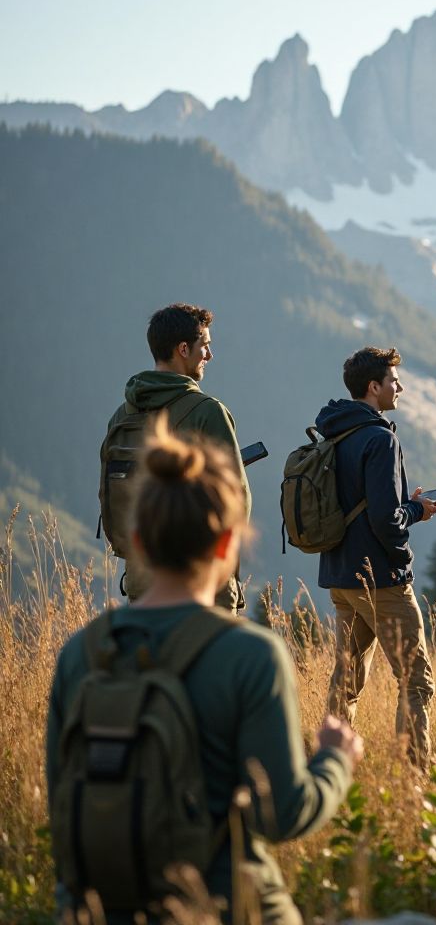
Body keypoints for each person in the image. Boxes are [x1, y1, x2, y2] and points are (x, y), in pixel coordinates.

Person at [48, 415, 363, 924]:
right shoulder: (250, 655)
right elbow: (281, 814)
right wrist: (334, 762)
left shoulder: (80, 654)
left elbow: (61, 807)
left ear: (139, 542)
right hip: (227, 908)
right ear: (226, 545)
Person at [317, 346, 436, 768]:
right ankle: (415, 780)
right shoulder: (380, 438)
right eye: (393, 381)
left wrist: (407, 507)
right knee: (416, 683)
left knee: (346, 681)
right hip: (381, 581)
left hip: (339, 576)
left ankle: (330, 769)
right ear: (374, 387)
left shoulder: (334, 432)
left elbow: (362, 505)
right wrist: (415, 516)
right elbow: (387, 519)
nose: (399, 387)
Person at [103, 303, 250, 611]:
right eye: (205, 346)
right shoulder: (207, 411)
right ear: (184, 349)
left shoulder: (122, 414)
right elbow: (237, 500)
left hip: (141, 578)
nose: (210, 356)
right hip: (202, 579)